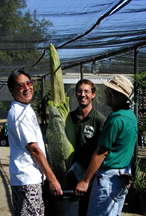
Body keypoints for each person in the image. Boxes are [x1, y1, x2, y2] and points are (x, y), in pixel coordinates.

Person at [75, 75, 138, 216]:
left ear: (123, 97)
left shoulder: (115, 121)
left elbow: (101, 152)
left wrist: (85, 180)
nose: (108, 95)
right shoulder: (130, 115)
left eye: (113, 93)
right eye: (108, 91)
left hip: (108, 180)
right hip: (121, 177)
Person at [7, 69, 63, 216]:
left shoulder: (25, 107)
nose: (27, 88)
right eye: (20, 85)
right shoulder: (19, 113)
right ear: (12, 90)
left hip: (28, 179)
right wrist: (52, 179)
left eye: (29, 83)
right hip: (27, 180)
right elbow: (34, 150)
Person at [70, 79, 106, 216]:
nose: (83, 94)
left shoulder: (99, 120)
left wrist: (87, 179)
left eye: (86, 91)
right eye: (79, 91)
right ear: (76, 94)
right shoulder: (69, 118)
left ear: (93, 95)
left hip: (91, 177)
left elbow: (103, 152)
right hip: (71, 174)